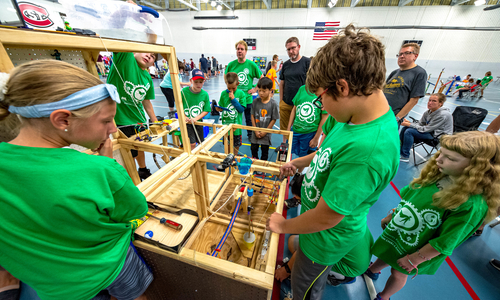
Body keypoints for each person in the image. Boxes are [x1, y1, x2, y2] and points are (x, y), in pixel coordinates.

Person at [267, 25, 400, 300]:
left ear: (342, 86)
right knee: (296, 248)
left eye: (321, 98)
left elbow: (328, 216)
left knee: (306, 288)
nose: (321, 107)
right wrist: (299, 162)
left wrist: (282, 226)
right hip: (314, 230)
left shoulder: (369, 151)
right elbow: (327, 154)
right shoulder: (353, 117)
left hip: (325, 239)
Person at [0, 60, 152, 300]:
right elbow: (135, 209)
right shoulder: (100, 169)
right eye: (106, 120)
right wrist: (107, 163)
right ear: (63, 120)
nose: (113, 128)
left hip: (45, 283)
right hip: (105, 267)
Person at [366, 131, 500, 300]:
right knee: (387, 252)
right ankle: (373, 269)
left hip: (417, 248)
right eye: (441, 153)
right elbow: (409, 201)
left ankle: (384, 296)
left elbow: (446, 241)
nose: (439, 160)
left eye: (450, 158)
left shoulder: (470, 205)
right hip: (401, 233)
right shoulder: (437, 177)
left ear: (477, 167)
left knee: (398, 272)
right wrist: (392, 215)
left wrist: (415, 259)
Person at [107, 51, 158, 181]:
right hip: (120, 120)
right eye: (146, 53)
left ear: (153, 63)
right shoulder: (126, 59)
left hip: (139, 119)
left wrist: (155, 122)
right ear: (135, 51)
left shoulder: (147, 77)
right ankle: (132, 178)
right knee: (128, 154)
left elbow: (146, 102)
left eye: (152, 56)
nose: (148, 56)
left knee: (140, 147)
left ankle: (143, 170)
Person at [284, 85, 328, 208]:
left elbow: (324, 117)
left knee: (304, 156)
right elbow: (294, 108)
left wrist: (316, 138)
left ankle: (298, 177)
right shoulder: (302, 89)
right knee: (291, 152)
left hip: (309, 133)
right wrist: (289, 128)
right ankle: (293, 178)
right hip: (296, 130)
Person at [399, 93, 453, 162]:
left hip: (438, 138)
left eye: (434, 101)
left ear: (441, 103)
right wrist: (409, 123)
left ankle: (405, 156)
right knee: (405, 128)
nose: (430, 103)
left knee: (409, 131)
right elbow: (420, 124)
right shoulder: (428, 112)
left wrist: (409, 125)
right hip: (431, 132)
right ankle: (399, 149)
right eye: (429, 100)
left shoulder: (443, 115)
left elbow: (425, 129)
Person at [226, 40, 263, 140]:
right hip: (234, 99)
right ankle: (233, 135)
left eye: (242, 49)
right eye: (238, 49)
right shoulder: (231, 65)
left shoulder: (251, 65)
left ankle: (251, 136)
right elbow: (226, 79)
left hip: (247, 99)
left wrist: (255, 88)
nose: (239, 51)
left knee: (249, 119)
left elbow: (262, 77)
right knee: (234, 118)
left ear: (246, 51)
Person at [384, 43, 427, 123]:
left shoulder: (419, 73)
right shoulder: (394, 73)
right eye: (400, 54)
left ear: (415, 56)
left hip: (392, 118)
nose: (402, 56)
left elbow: (414, 100)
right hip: (380, 114)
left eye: (407, 53)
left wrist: (397, 118)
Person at [280, 37, 311, 134]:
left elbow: (313, 82)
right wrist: (281, 101)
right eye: (288, 49)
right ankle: (284, 145)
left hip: (301, 104)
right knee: (284, 128)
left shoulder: (307, 62)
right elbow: (282, 83)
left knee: (299, 129)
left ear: (299, 47)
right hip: (286, 102)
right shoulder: (285, 65)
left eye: (293, 48)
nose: (291, 51)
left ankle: (294, 147)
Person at [216, 72, 247, 154]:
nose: (231, 90)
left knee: (235, 148)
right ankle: (228, 161)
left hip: (236, 127)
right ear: (226, 83)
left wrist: (233, 99)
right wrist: (219, 109)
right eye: (229, 88)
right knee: (227, 148)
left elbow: (241, 110)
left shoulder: (241, 94)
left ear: (238, 84)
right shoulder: (223, 94)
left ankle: (233, 160)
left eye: (233, 88)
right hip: (226, 126)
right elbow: (222, 108)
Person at [250, 77, 279, 161]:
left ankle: (262, 166)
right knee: (253, 149)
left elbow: (274, 119)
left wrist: (265, 131)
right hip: (255, 132)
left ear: (271, 90)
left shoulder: (273, 104)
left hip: (266, 134)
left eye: (264, 91)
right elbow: (252, 116)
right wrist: (255, 130)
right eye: (259, 90)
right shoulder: (255, 102)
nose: (261, 93)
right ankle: (255, 163)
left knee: (265, 151)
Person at [181, 69, 210, 150]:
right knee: (192, 144)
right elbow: (179, 106)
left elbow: (206, 110)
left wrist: (196, 118)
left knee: (201, 142)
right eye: (196, 81)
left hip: (198, 122)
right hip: (187, 123)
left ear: (203, 82)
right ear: (191, 80)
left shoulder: (204, 94)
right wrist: (184, 116)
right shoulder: (184, 92)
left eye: (201, 82)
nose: (198, 84)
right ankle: (192, 160)